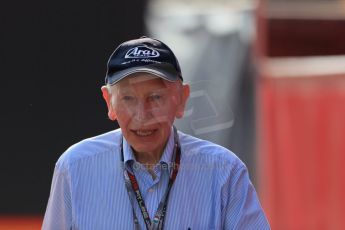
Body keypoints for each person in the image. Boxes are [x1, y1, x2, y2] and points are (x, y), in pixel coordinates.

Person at [42, 36, 270, 230]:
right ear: (109, 102)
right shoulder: (74, 167)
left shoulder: (224, 172)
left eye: (156, 97)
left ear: (181, 99)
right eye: (128, 98)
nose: (142, 115)